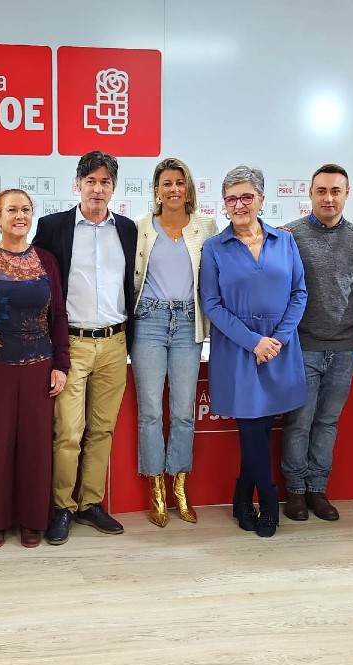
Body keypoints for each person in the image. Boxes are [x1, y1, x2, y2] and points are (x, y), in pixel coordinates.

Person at [31, 150, 137, 545]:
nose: (97, 189)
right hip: (71, 343)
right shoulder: (54, 226)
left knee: (102, 429)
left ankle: (90, 503)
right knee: (69, 431)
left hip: (115, 342)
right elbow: (32, 277)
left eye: (104, 182)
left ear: (113, 188)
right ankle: (62, 507)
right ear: (78, 185)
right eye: (90, 181)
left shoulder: (127, 229)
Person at [0, 189, 69, 549]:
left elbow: (60, 316)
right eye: (11, 210)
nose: (19, 216)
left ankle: (34, 519)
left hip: (40, 366)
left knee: (36, 447)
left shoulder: (47, 260)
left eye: (25, 209)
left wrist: (61, 364)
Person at [199, 165, 307, 538]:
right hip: (238, 348)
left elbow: (299, 293)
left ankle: (242, 494)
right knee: (251, 427)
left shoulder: (285, 241)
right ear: (224, 205)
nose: (240, 204)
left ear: (261, 199)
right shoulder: (215, 247)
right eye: (232, 198)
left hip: (280, 346)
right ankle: (269, 498)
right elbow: (211, 303)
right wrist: (254, 342)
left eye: (247, 196)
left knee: (261, 427)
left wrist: (276, 339)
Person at [279, 163, 353, 523]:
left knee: (328, 422)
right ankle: (296, 492)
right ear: (310, 193)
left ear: (347, 194)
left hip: (345, 346)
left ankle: (318, 489)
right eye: (321, 191)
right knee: (299, 421)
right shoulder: (291, 235)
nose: (329, 198)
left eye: (336, 191)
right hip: (302, 346)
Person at [130, 158, 217, 527]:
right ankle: (156, 490)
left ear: (189, 187)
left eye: (180, 182)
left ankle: (179, 484)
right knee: (150, 411)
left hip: (187, 323)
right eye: (166, 183)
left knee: (183, 412)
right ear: (156, 190)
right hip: (149, 320)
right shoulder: (139, 228)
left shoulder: (206, 227)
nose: (174, 189)